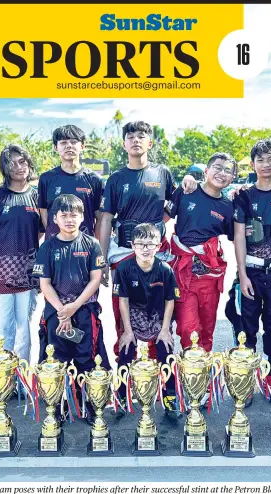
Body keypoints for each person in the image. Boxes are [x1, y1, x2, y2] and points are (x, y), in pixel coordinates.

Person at [97, 120, 197, 360]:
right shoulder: (116, 179)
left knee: (159, 315)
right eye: (130, 137)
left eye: (141, 136)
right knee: (123, 317)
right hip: (123, 255)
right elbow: (106, 220)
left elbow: (174, 205)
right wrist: (101, 262)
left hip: (156, 256)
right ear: (124, 144)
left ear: (150, 142)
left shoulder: (162, 173)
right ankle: (126, 381)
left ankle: (161, 376)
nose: (136, 140)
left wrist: (189, 181)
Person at [230, 140, 271, 407]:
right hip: (252, 272)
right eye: (260, 160)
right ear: (252, 164)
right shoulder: (244, 195)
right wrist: (242, 275)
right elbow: (238, 236)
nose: (266, 165)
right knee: (246, 327)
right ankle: (245, 379)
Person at [32, 194, 110, 421]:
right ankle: (56, 408)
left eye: (74, 214)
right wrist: (62, 311)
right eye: (64, 215)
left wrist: (74, 306)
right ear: (54, 218)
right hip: (56, 314)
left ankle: (87, 405)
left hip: (85, 311)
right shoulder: (47, 247)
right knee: (56, 361)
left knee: (87, 359)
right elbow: (44, 283)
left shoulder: (92, 244)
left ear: (82, 216)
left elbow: (95, 280)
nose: (69, 219)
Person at [0, 145, 43, 364]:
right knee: (0, 331)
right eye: (12, 163)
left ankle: (21, 381)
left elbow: (41, 233)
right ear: (4, 167)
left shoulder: (37, 197)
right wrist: (1, 265)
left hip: (27, 278)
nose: (18, 167)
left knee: (23, 331)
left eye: (22, 161)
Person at [168, 152, 236, 353]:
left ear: (232, 178)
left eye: (228, 171)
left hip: (210, 276)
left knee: (206, 330)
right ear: (206, 171)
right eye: (217, 167)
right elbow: (161, 219)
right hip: (183, 273)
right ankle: (189, 373)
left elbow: (237, 236)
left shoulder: (229, 207)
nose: (221, 173)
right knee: (188, 328)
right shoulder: (187, 192)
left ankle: (201, 378)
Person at [113, 223, 179, 413]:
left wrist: (165, 330)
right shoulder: (124, 268)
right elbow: (123, 301)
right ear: (132, 245)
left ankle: (170, 396)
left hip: (157, 317)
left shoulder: (165, 269)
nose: (145, 249)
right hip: (133, 315)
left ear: (158, 246)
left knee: (166, 350)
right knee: (125, 351)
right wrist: (127, 331)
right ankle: (122, 397)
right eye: (140, 244)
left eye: (150, 244)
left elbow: (170, 301)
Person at [38, 125, 103, 240]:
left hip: (84, 246)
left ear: (82, 146)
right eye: (63, 143)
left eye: (73, 142)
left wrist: (95, 244)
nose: (69, 146)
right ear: (55, 147)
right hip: (54, 246)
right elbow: (43, 211)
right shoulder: (46, 178)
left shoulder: (94, 179)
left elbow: (100, 217)